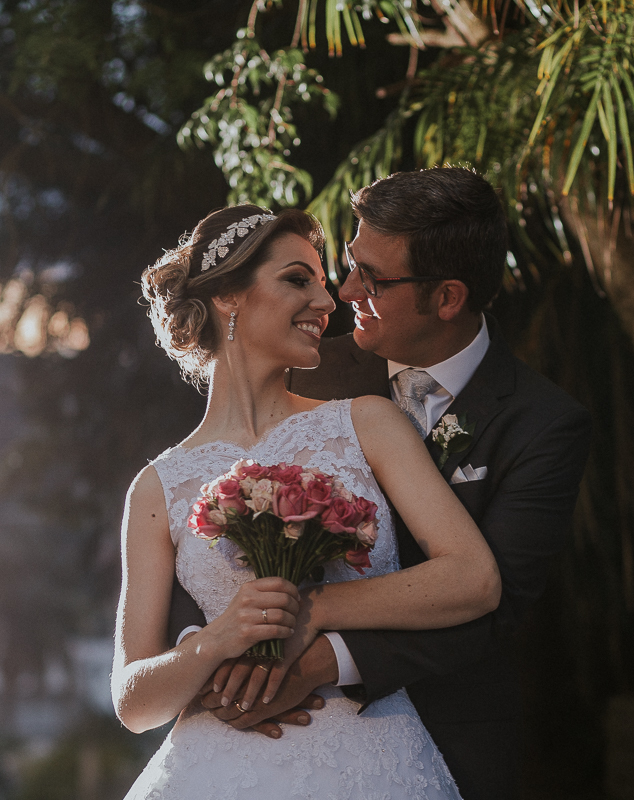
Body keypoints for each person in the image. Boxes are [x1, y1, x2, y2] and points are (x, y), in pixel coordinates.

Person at [170, 168, 593, 800]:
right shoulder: (308, 370)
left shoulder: (543, 424)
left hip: (441, 736)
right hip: (255, 728)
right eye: (349, 263)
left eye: (374, 278)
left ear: (447, 298)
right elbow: (205, 517)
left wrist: (313, 657)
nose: (342, 291)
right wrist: (212, 655)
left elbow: (494, 603)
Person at [112, 204, 504, 799]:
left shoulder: (368, 424)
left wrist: (314, 606)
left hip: (370, 764)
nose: (328, 303)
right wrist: (217, 639)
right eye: (298, 279)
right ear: (227, 298)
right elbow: (134, 702)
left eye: (324, 284)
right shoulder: (157, 486)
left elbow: (473, 578)